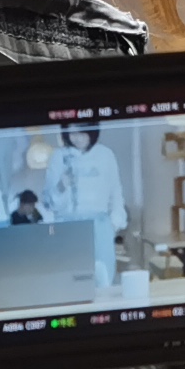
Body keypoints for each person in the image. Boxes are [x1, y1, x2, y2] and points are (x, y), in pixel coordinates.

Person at [42, 126, 129, 296]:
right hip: (67, 226)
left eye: (82, 133)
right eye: (72, 133)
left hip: (99, 225)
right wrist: (61, 186)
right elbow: (49, 201)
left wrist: (114, 222)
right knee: (69, 280)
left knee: (103, 279)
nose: (77, 138)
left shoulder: (105, 155)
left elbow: (116, 191)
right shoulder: (59, 156)